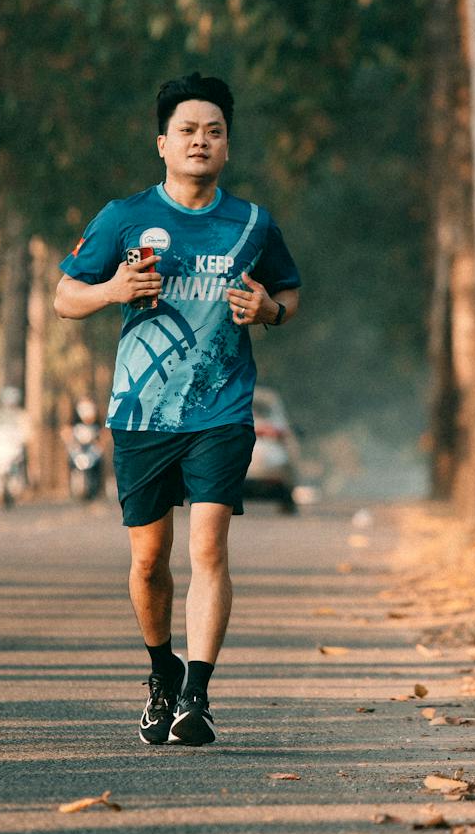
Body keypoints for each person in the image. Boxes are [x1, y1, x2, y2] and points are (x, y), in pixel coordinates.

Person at [54, 71, 301, 747]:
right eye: (188, 130)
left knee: (208, 546)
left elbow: (287, 291)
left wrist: (270, 311)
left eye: (214, 131)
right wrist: (111, 289)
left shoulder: (253, 222)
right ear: (163, 142)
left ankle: (196, 693)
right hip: (141, 414)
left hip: (221, 410)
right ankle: (161, 674)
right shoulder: (124, 218)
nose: (201, 141)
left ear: (228, 145)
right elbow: (63, 295)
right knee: (148, 560)